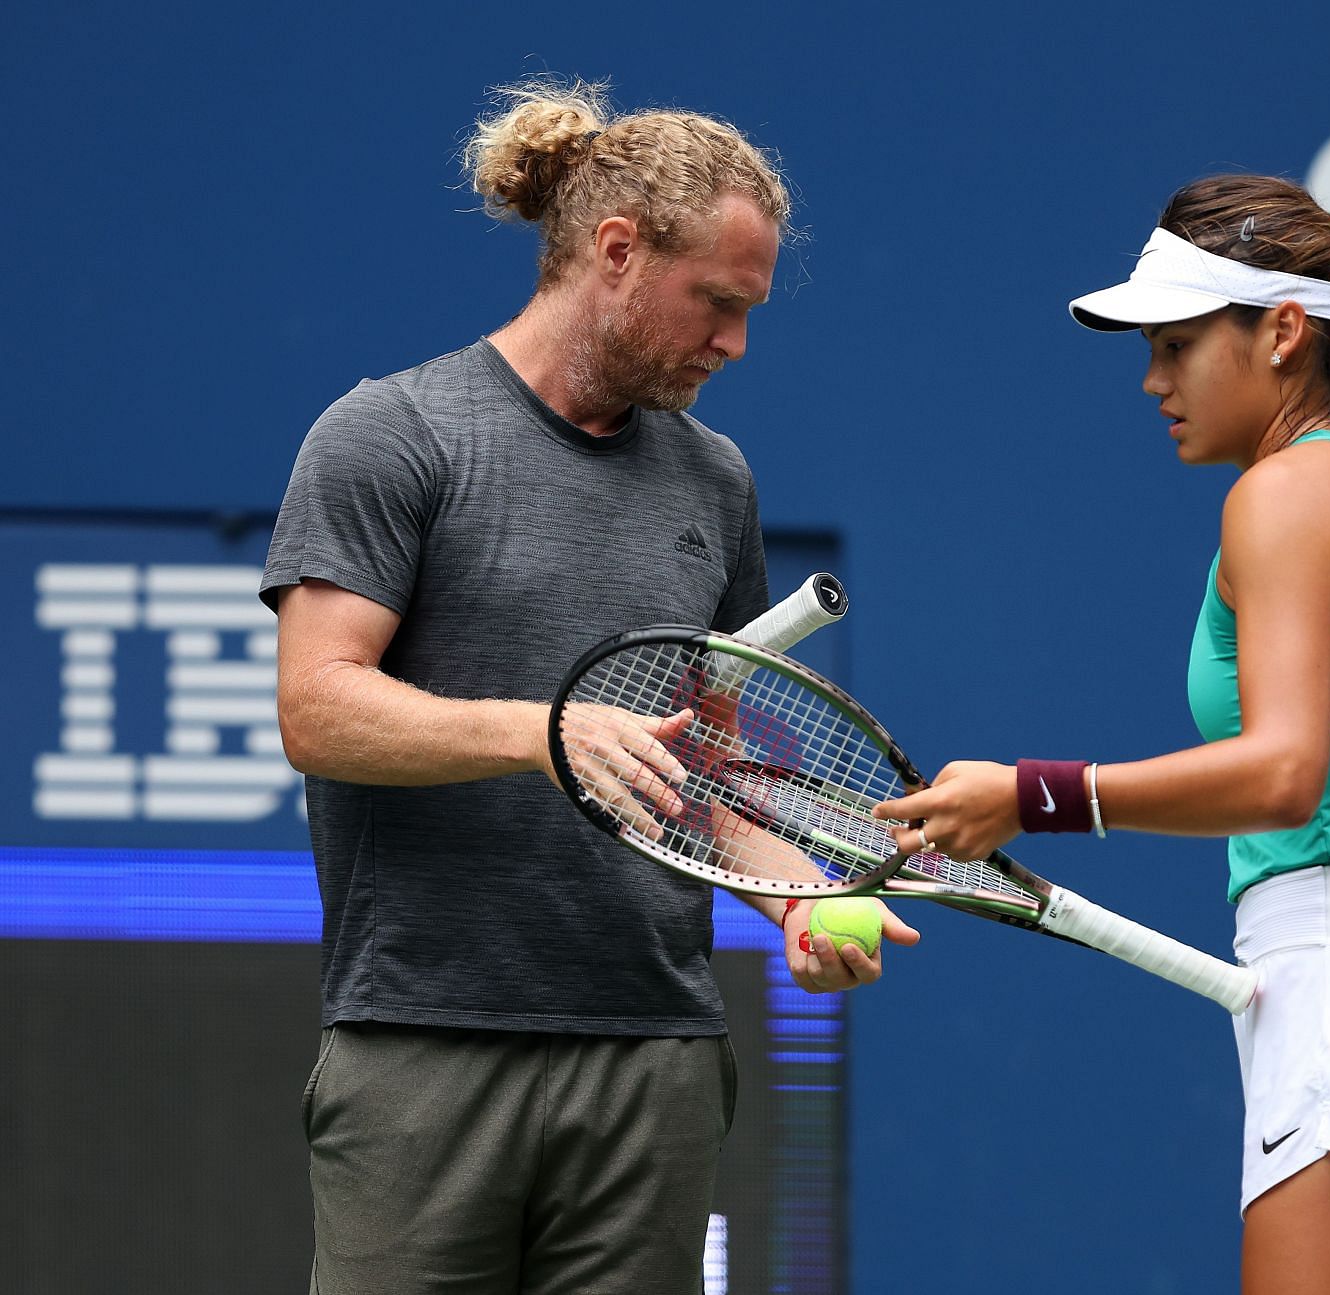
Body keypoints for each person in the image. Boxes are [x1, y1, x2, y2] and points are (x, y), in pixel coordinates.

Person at [262, 80, 915, 1295]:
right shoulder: (391, 433)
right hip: (422, 1046)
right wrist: (543, 732)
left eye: (749, 311)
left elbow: (707, 773)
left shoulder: (716, 482)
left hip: (654, 1059)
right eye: (715, 303)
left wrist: (798, 901)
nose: (735, 343)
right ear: (616, 251)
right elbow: (318, 706)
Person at [876, 174, 1330, 1294]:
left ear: (1285, 331)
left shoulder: (1287, 494)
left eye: (1176, 345)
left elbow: (1286, 772)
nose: (1154, 381)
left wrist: (1033, 795)